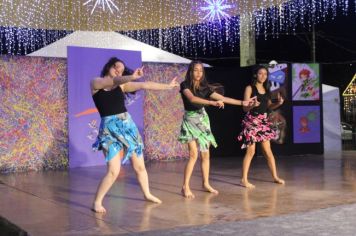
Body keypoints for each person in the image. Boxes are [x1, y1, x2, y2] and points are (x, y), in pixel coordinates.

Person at [91, 57, 179, 213]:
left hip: (128, 127)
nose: (119, 71)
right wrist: (131, 76)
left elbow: (145, 84)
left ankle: (147, 194)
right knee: (113, 171)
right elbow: (111, 82)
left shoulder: (122, 86)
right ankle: (97, 202)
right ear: (109, 66)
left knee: (140, 166)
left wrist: (168, 86)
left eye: (122, 70)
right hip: (109, 131)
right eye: (117, 67)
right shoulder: (96, 83)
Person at [178, 61, 254, 198]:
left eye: (201, 71)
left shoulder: (205, 87)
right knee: (193, 155)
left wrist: (243, 102)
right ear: (191, 71)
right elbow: (192, 98)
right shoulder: (185, 85)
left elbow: (223, 98)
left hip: (203, 120)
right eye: (196, 70)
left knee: (206, 154)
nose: (198, 73)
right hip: (190, 121)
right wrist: (211, 102)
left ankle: (206, 183)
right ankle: (185, 187)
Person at [238, 65, 285, 188]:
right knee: (251, 151)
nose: (263, 76)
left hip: (263, 121)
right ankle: (244, 179)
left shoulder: (266, 90)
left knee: (268, 151)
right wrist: (252, 105)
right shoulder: (249, 88)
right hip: (251, 121)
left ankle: (275, 176)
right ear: (255, 75)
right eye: (260, 73)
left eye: (265, 74)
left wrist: (278, 103)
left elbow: (268, 107)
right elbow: (244, 108)